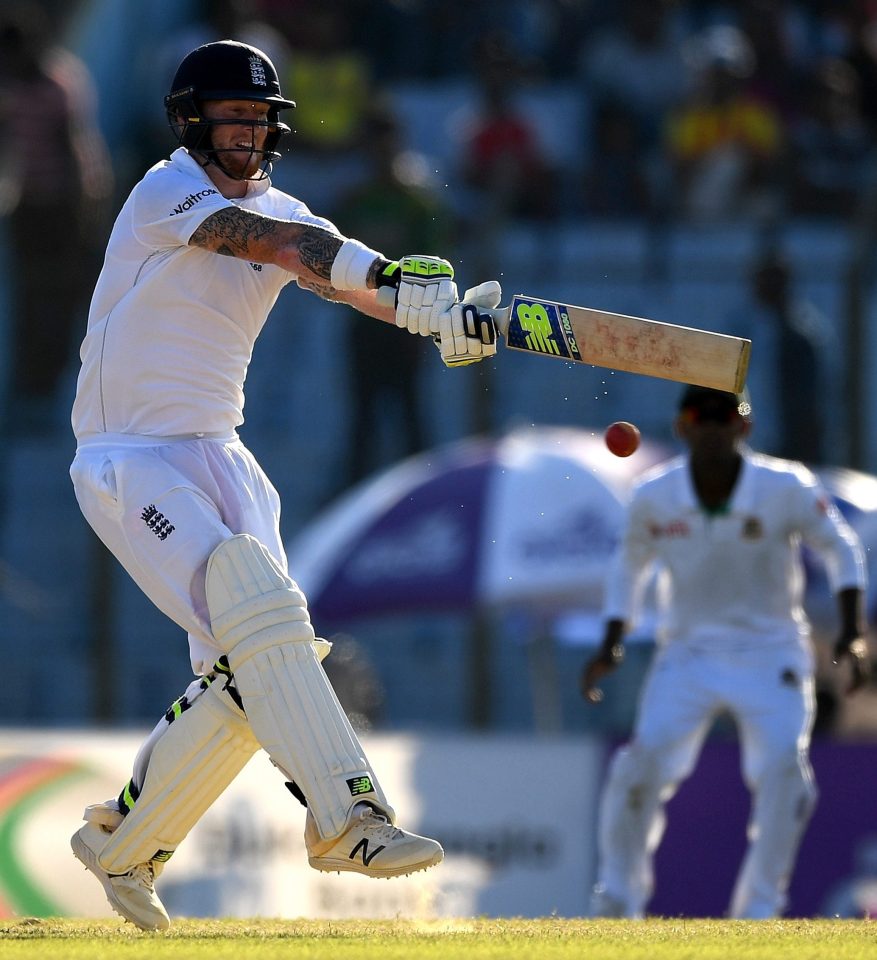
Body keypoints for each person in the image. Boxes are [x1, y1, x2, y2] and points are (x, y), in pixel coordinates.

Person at [68, 39, 500, 932]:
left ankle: (119, 845)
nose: (248, 134)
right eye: (231, 118)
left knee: (255, 666)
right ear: (192, 123)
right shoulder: (164, 193)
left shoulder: (283, 205)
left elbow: (330, 265)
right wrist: (381, 275)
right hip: (127, 456)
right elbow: (270, 243)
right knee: (248, 595)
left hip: (222, 455)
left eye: (260, 120)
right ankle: (349, 816)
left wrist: (434, 311)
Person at [580, 385, 870, 920]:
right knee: (638, 767)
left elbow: (842, 547)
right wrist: (613, 640)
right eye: (700, 415)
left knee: (785, 769)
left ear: (745, 427)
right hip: (687, 653)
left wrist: (852, 630)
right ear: (682, 427)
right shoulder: (654, 495)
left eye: (724, 416)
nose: (712, 427)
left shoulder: (784, 486)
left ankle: (758, 911)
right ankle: (617, 901)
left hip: (771, 651)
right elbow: (629, 567)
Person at [332, 102, 455, 485]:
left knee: (411, 417)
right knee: (363, 421)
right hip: (365, 325)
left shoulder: (416, 204)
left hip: (407, 325)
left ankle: (426, 494)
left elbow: (435, 266)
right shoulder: (354, 202)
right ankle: (353, 499)